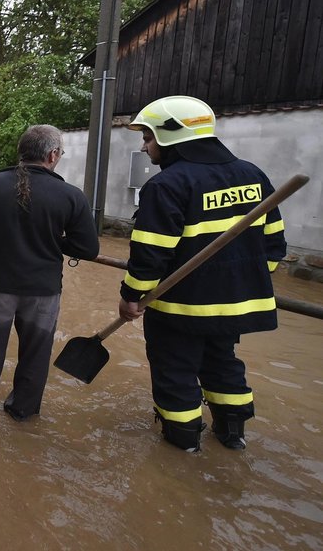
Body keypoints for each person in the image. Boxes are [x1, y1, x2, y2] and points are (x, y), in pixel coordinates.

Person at [119, 95, 287, 452]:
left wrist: (131, 297)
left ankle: (182, 447)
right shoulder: (253, 175)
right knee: (221, 363)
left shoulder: (167, 186)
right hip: (234, 308)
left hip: (181, 309)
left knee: (174, 372)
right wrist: (240, 283)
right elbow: (273, 246)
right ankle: (232, 435)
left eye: (147, 137)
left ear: (170, 135)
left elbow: (150, 255)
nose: (144, 146)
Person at [0, 125, 99, 421]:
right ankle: (22, 412)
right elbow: (88, 248)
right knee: (35, 353)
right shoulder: (70, 195)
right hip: (43, 292)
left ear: (22, 152)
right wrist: (57, 239)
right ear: (53, 154)